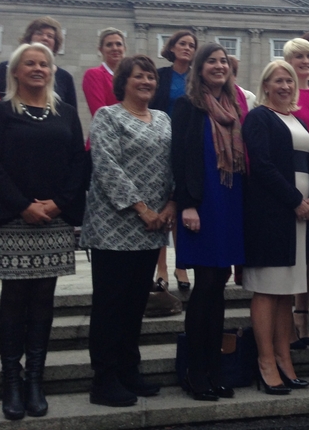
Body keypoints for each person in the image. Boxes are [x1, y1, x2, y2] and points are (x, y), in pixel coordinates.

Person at [0, 42, 87, 419]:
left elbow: (78, 162)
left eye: (44, 63)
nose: (38, 68)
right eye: (30, 63)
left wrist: (58, 203)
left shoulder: (67, 114)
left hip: (54, 219)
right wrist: (22, 205)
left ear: (52, 70)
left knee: (44, 298)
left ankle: (35, 380)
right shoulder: (0, 112)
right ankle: (11, 380)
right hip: (15, 219)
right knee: (13, 298)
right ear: (16, 71)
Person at [80, 55, 174, 407]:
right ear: (124, 81)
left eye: (150, 76)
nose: (146, 81)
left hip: (152, 227)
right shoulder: (108, 116)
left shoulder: (164, 119)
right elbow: (106, 166)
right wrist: (142, 208)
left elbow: (172, 164)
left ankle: (128, 371)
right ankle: (103, 379)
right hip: (114, 226)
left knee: (135, 305)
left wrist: (169, 206)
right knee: (110, 305)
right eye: (139, 76)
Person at [171, 43, 245, 400]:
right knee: (204, 286)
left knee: (220, 286)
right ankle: (195, 371)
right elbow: (181, 157)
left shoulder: (232, 108)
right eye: (211, 61)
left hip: (228, 204)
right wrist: (187, 205)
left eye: (223, 62)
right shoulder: (188, 106)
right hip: (201, 206)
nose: (219, 66)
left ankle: (215, 369)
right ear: (199, 68)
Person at [242, 60, 309, 395]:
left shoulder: (297, 119)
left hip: (297, 217)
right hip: (270, 214)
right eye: (278, 80)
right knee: (268, 289)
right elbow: (260, 164)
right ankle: (266, 361)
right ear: (266, 85)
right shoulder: (258, 117)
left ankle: (285, 359)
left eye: (289, 80)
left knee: (287, 290)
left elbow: (308, 164)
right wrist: (294, 199)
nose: (285, 86)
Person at [282, 38, 309, 349]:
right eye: (298, 56)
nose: (305, 61)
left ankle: (303, 317)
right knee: (289, 253)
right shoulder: (280, 93)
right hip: (285, 182)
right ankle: (287, 321)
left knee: (308, 254)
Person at [150, 30, 198, 291]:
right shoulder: (161, 75)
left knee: (180, 204)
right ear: (172, 47)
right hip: (160, 143)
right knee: (160, 204)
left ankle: (181, 265)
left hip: (186, 146)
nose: (187, 48)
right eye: (183, 43)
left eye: (192, 45)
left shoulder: (197, 78)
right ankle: (161, 267)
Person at [0, 16, 77, 109]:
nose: (44, 38)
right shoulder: (5, 68)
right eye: (39, 33)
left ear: (55, 43)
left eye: (50, 36)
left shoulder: (65, 77)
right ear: (29, 38)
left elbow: (72, 114)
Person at [82, 27, 126, 118]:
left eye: (119, 44)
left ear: (124, 48)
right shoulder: (94, 75)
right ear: (101, 50)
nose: (115, 48)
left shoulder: (130, 77)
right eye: (109, 45)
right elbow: (99, 113)